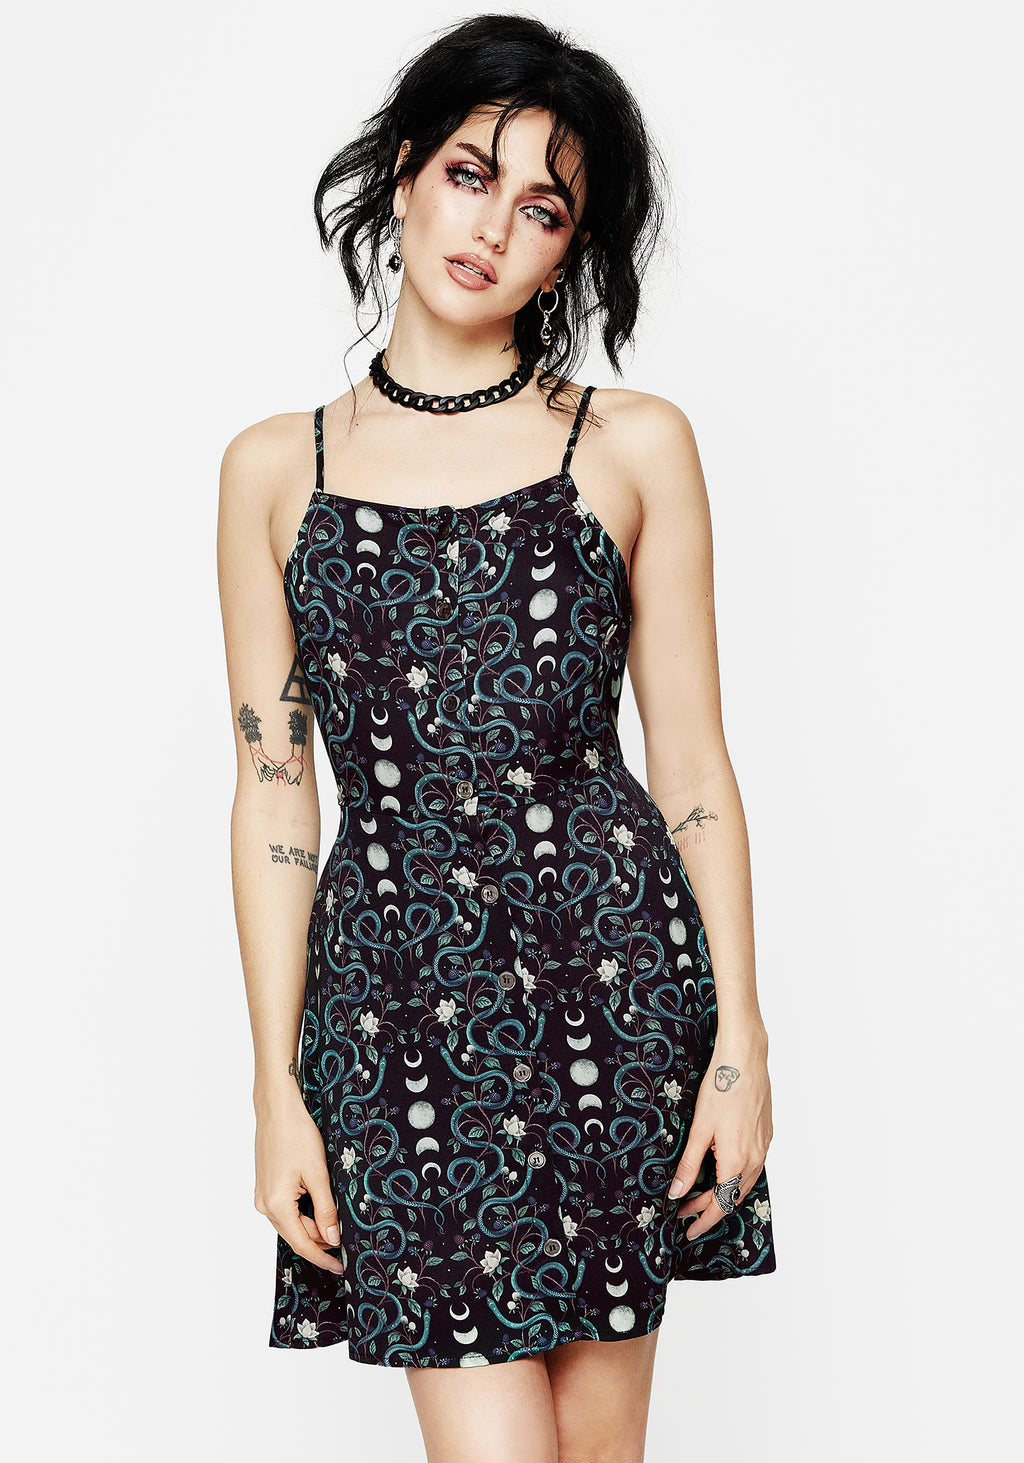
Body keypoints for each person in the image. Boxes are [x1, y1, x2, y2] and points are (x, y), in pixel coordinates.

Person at [217, 11, 776, 1460]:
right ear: (405, 170)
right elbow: (277, 797)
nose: (492, 228)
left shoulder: (634, 443)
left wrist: (739, 1045)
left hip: (612, 988)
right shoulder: (277, 469)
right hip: (394, 1005)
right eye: (472, 173)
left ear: (569, 253)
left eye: (544, 208)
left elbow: (693, 767)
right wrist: (276, 1087)